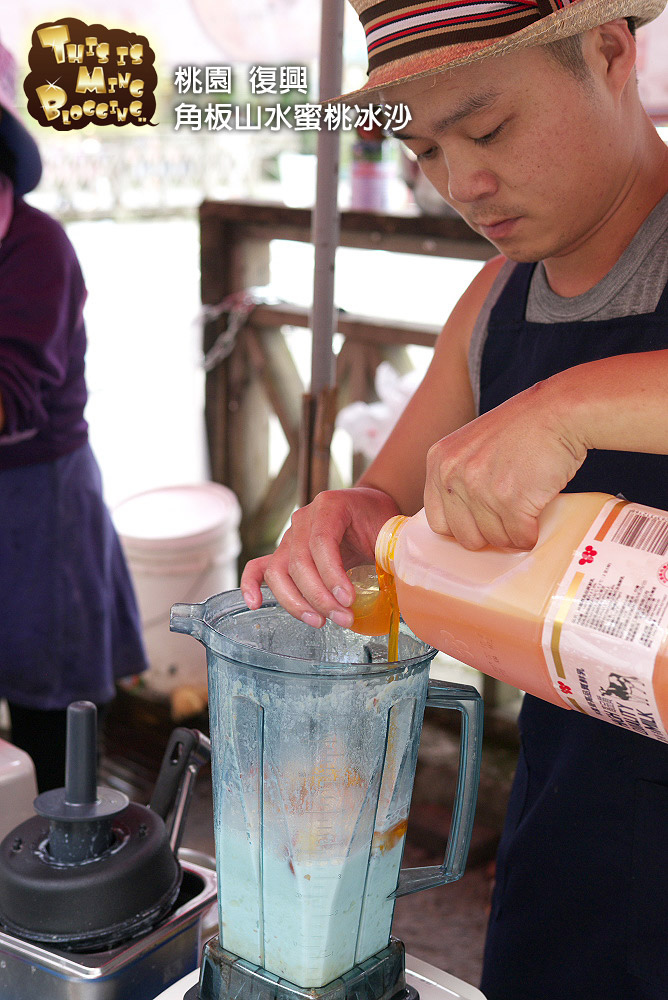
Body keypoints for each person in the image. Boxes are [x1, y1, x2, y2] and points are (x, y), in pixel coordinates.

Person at [241, 0, 668, 996]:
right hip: (569, 835)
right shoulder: (493, 303)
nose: (461, 183)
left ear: (609, 51)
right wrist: (339, 514)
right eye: (426, 149)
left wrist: (569, 407)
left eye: (488, 128)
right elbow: (379, 495)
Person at [0, 42, 148, 793]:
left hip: (37, 507)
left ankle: (63, 872)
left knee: (49, 718)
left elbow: (15, 389)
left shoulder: (36, 247)